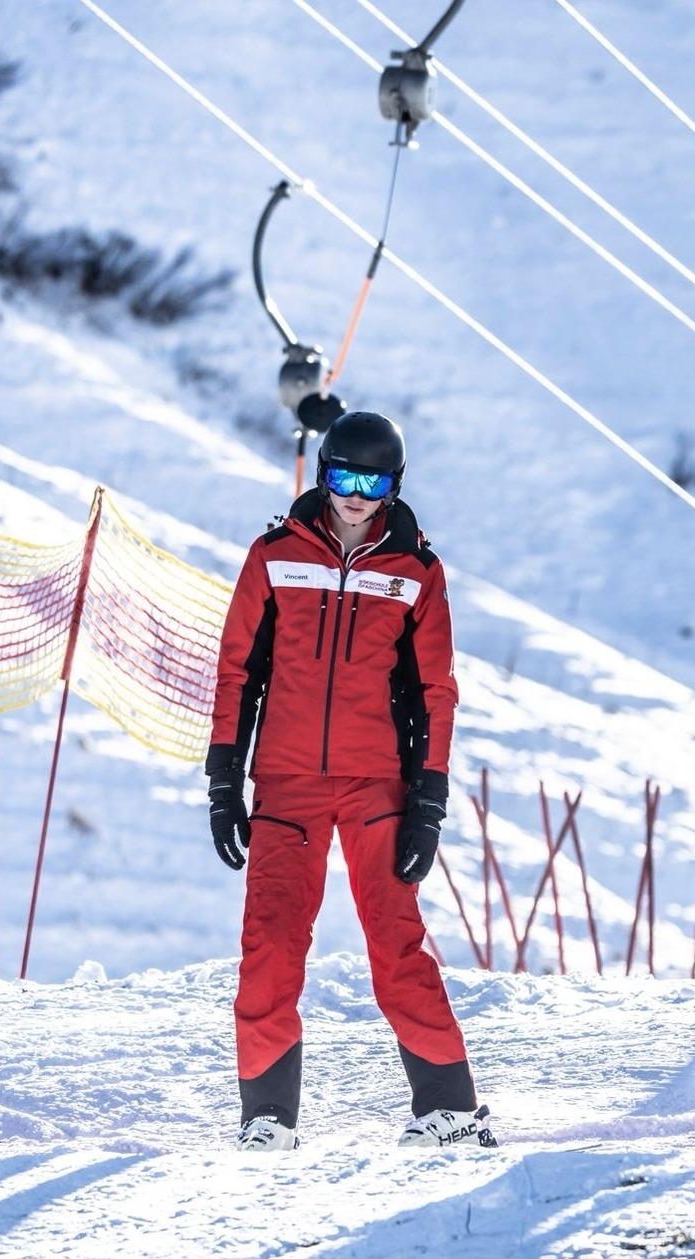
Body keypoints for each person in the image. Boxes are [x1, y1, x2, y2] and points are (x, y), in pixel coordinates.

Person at [206, 411, 491, 1152]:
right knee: (270, 944)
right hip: (287, 782)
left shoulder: (417, 571)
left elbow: (435, 692)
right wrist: (224, 778)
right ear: (322, 473)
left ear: (395, 486)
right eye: (342, 477)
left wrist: (428, 800)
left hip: (377, 787)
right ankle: (267, 1117)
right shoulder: (274, 555)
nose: (354, 497)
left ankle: (450, 1109)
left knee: (396, 942)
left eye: (372, 483)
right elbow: (238, 672)